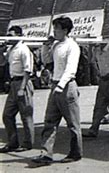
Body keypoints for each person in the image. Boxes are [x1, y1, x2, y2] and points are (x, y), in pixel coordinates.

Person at [33, 17, 82, 164]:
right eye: (54, 29)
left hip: (67, 86)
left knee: (73, 123)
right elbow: (47, 61)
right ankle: (46, 153)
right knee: (49, 121)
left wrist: (60, 86)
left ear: (65, 30)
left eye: (57, 29)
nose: (54, 31)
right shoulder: (56, 45)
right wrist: (46, 46)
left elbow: (70, 70)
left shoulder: (72, 46)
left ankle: (75, 153)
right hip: (55, 84)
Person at [0, 26, 34, 153]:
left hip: (22, 82)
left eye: (12, 35)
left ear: (19, 35)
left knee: (26, 115)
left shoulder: (23, 49)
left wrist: (22, 88)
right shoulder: (11, 49)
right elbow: (3, 63)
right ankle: (12, 142)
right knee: (7, 115)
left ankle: (28, 143)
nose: (9, 37)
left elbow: (28, 70)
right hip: (14, 82)